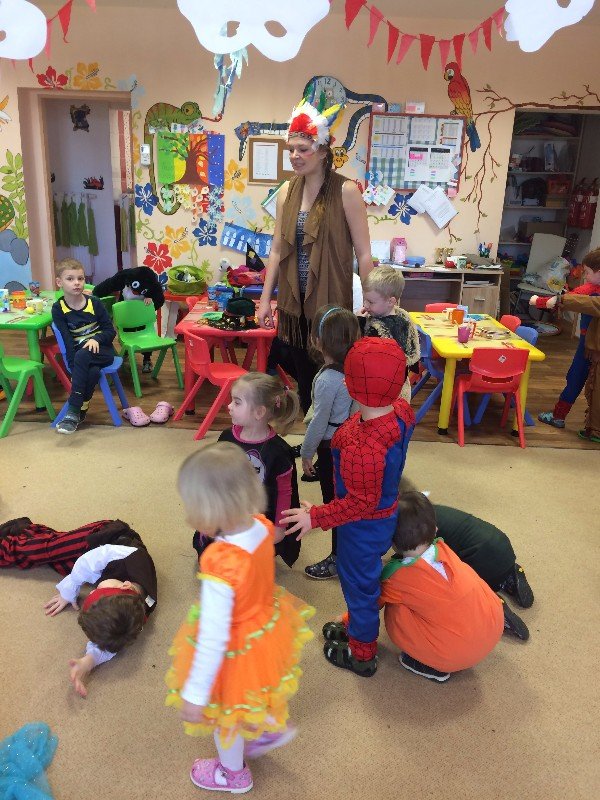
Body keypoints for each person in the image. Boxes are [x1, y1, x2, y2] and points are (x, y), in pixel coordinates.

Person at [165, 443, 314, 794]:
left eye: (191, 506)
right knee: (256, 690)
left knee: (226, 715)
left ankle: (233, 774)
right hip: (263, 626)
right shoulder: (261, 526)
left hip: (234, 648)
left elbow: (213, 637)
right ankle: (266, 726)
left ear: (210, 511)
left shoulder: (221, 563)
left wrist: (197, 693)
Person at [282, 338, 415, 677]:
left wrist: (315, 516)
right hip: (383, 513)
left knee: (359, 588)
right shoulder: (402, 413)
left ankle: (362, 653)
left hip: (362, 528)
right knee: (363, 582)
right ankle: (358, 624)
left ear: (348, 383)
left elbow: (359, 503)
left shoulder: (363, 446)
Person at [257, 98, 373, 414]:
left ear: (322, 151)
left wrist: (372, 299)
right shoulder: (286, 192)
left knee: (334, 381)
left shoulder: (346, 191)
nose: (295, 156)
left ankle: (332, 438)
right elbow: (277, 249)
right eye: (291, 149)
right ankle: (312, 436)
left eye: (303, 149)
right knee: (305, 380)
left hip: (331, 304)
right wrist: (266, 300)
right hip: (294, 305)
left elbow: (364, 253)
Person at [336, 492, 504, 683]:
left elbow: (370, 606)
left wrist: (346, 620)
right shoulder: (444, 548)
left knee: (396, 608)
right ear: (436, 528)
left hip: (453, 655)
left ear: (390, 541)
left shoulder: (395, 578)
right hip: (493, 625)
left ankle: (430, 664)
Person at [0, 516, 157, 697]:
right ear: (125, 586)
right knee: (49, 550)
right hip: (105, 536)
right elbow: (84, 563)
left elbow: (112, 642)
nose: (90, 592)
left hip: (108, 568)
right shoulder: (123, 557)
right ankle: (13, 540)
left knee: (58, 565)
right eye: (97, 591)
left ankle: (25, 531)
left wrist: (89, 661)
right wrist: (68, 593)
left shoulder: (134, 618)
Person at [216, 373, 302, 568]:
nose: (229, 406)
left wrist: (279, 528)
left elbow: (285, 494)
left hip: (260, 516)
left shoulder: (278, 451)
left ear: (259, 412)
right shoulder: (226, 437)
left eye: (237, 402)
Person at [301, 305, 360, 580]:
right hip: (352, 443)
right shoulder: (354, 371)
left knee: (334, 505)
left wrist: (306, 453)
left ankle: (337, 558)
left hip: (330, 448)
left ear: (317, 340)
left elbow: (319, 422)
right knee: (346, 499)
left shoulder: (327, 379)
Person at [532, 249, 600, 436]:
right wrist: (547, 301)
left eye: (588, 272)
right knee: (575, 378)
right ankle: (559, 416)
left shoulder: (594, 297)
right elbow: (570, 299)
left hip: (592, 348)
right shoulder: (590, 290)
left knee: (587, 383)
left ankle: (587, 425)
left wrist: (556, 300)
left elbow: (577, 301)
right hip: (587, 346)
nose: (585, 276)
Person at [51, 258, 116, 434]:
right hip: (82, 357)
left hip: (104, 351)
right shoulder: (58, 309)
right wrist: (74, 368)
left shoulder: (94, 303)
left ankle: (73, 411)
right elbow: (67, 341)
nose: (77, 283)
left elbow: (110, 331)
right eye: (70, 279)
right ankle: (83, 408)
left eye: (80, 278)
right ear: (59, 282)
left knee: (83, 355)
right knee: (92, 371)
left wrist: (97, 339)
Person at [359, 265, 420, 402]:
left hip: (386, 392)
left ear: (391, 301)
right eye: (365, 299)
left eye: (371, 302)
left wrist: (359, 322)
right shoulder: (401, 317)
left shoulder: (382, 330)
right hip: (398, 385)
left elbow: (360, 350)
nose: (366, 305)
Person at [93, 266, 165, 374]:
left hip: (142, 316)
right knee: (126, 331)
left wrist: (151, 301)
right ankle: (126, 350)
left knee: (144, 331)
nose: (136, 293)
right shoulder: (124, 276)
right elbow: (109, 285)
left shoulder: (153, 285)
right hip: (125, 312)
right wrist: (95, 293)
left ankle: (147, 359)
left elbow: (159, 299)